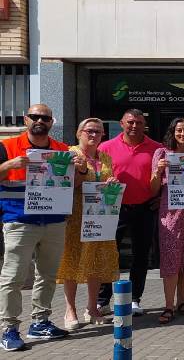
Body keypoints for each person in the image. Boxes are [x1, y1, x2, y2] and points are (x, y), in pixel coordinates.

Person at [0, 104, 75, 350]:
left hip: (53, 222)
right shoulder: (7, 147)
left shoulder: (62, 150)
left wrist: (81, 167)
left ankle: (40, 322)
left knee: (48, 275)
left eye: (45, 117)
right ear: (26, 119)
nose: (39, 120)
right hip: (19, 220)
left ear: (52, 122)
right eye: (35, 117)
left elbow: (73, 180)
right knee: (13, 278)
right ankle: (9, 329)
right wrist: (8, 166)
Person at [97, 109, 163, 317]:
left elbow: (167, 179)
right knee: (109, 253)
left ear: (145, 125)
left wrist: (162, 197)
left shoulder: (157, 148)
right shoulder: (105, 147)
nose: (135, 126)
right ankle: (102, 299)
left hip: (145, 208)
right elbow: (96, 176)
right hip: (114, 208)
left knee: (141, 256)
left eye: (139, 123)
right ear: (122, 123)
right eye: (130, 122)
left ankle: (134, 298)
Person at [57, 118, 118, 331]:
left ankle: (92, 308)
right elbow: (64, 184)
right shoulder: (70, 154)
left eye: (99, 132)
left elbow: (110, 181)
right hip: (75, 217)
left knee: (97, 262)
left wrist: (112, 183)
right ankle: (69, 309)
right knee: (72, 262)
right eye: (90, 131)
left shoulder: (106, 158)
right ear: (78, 133)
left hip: (100, 217)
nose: (94, 135)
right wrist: (81, 173)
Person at [150, 118, 184, 324]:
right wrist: (157, 171)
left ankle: (182, 302)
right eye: (179, 130)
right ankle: (168, 305)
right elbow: (153, 188)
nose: (182, 134)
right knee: (171, 257)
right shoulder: (162, 154)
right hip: (171, 214)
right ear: (172, 132)